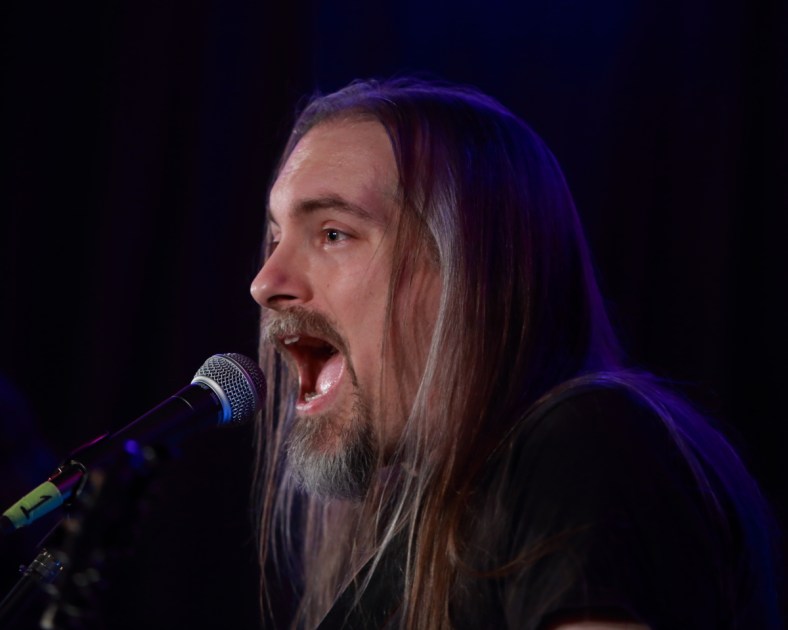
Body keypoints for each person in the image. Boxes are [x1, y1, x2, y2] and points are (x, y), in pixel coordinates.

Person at [248, 77, 782, 629]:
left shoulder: (581, 442)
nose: (264, 283)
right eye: (275, 237)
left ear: (476, 273)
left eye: (333, 234)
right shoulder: (417, 532)